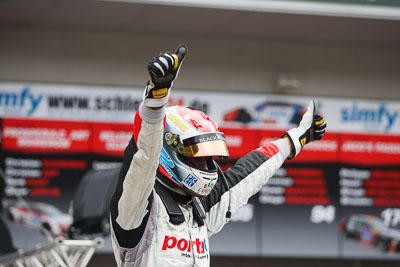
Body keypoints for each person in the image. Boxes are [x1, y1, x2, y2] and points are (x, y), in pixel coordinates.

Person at [110, 45, 326, 267]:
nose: (205, 163)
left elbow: (250, 172)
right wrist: (156, 99)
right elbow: (143, 158)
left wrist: (295, 140)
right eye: (196, 154)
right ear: (168, 150)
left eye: (208, 156)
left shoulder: (202, 208)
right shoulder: (136, 208)